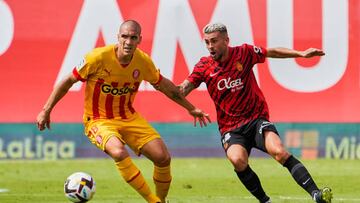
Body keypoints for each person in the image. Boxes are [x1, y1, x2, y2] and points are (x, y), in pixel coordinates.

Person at [36, 20, 210, 203]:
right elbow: (67, 81)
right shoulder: (97, 58)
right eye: (124, 37)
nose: (128, 42)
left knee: (163, 158)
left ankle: (161, 199)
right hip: (98, 120)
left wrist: (191, 108)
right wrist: (46, 110)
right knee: (118, 152)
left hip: (128, 117)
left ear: (139, 40)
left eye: (133, 37)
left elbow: (165, 86)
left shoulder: (142, 62)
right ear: (117, 37)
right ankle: (153, 201)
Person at [179, 23, 332, 203]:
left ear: (226, 40)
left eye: (214, 41)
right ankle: (265, 201)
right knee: (237, 160)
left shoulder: (244, 53)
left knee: (280, 152)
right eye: (207, 42)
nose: (210, 46)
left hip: (256, 119)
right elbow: (182, 89)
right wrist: (176, 96)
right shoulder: (204, 66)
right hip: (230, 129)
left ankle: (316, 194)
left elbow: (271, 52)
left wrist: (300, 53)